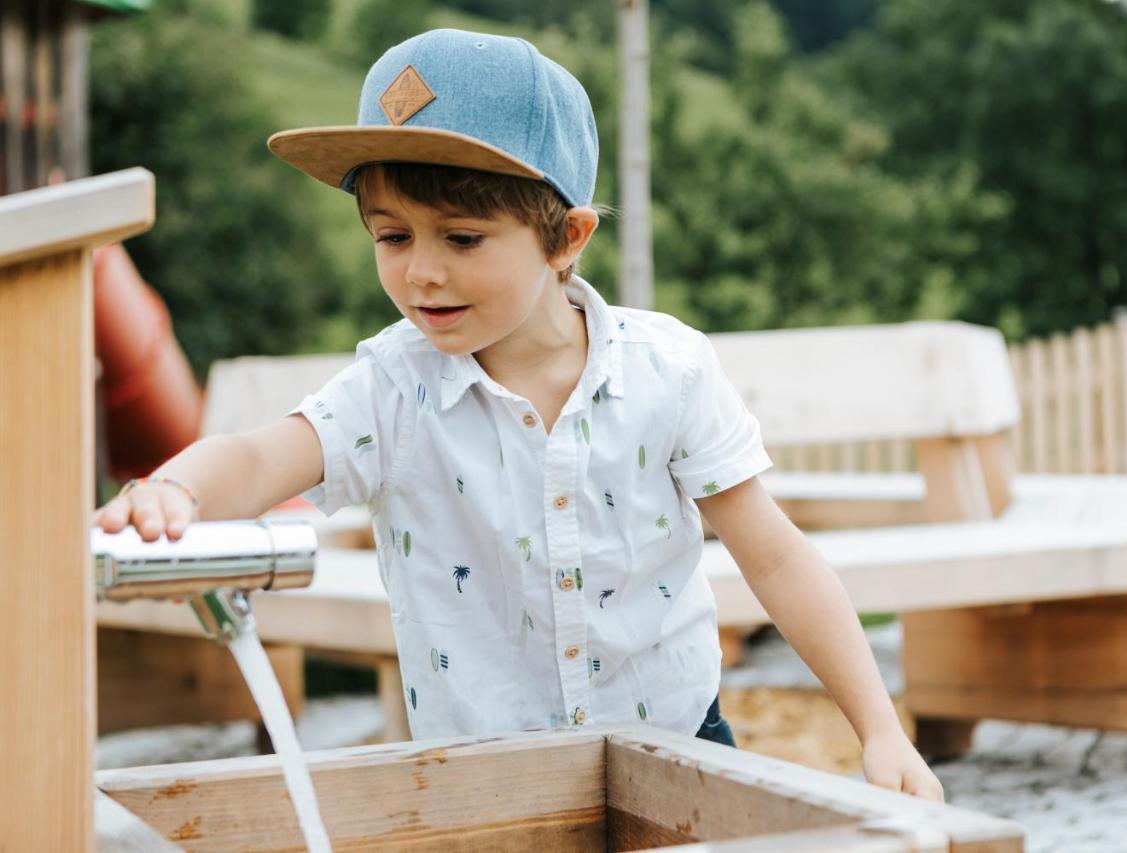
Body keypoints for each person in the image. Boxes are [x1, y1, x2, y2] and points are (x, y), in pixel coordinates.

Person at [93, 28, 944, 801]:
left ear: (566, 237)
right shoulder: (393, 389)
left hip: (677, 746)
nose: (421, 272)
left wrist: (878, 728)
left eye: (461, 239)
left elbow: (780, 559)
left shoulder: (667, 371)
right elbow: (256, 457)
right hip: (483, 775)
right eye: (392, 237)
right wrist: (176, 490)